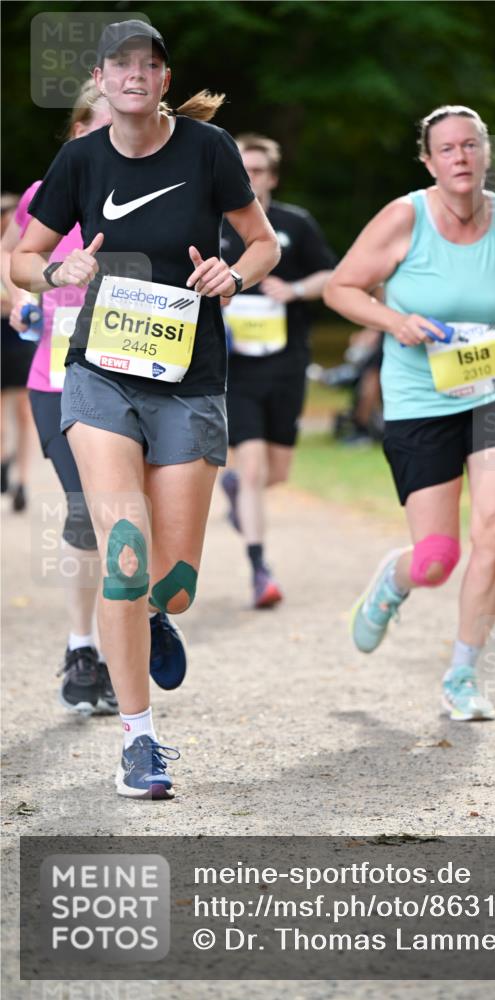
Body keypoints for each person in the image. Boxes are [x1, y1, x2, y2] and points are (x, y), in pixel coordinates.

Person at [11, 19, 280, 799]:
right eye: (120, 64)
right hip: (101, 375)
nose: (134, 74)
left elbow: (263, 244)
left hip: (190, 380)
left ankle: (158, 614)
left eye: (149, 64)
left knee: (176, 583)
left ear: (164, 79)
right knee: (123, 551)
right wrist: (60, 270)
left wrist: (234, 276)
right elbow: (22, 258)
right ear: (101, 78)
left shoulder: (209, 149)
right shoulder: (79, 160)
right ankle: (139, 740)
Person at [325, 105, 495, 722]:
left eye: (471, 145)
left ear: (487, 153)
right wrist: (395, 321)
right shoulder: (404, 218)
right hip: (422, 398)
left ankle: (462, 674)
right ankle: (394, 581)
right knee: (437, 558)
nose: (461, 157)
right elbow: (340, 288)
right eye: (447, 149)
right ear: (428, 161)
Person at [1, 82, 118, 715]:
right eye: (100, 125)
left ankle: (138, 624)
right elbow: (11, 256)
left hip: (141, 377)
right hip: (59, 378)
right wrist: (23, 297)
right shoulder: (44, 196)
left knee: (135, 513)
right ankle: (82, 649)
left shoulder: (161, 190)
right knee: (85, 508)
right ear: (76, 134)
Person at [219, 134, 336, 607]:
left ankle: (236, 491)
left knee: (276, 471)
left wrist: (295, 290)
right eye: (242, 169)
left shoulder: (294, 223)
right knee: (252, 467)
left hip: (287, 362)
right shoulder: (211, 223)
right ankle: (259, 570)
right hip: (235, 369)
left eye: (259, 170)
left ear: (273, 177)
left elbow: (331, 276)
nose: (250, 178)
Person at [1, 193, 36, 512]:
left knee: (24, 413)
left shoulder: (28, 252)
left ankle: (23, 480)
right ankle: (3, 460)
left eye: (12, 213)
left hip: (22, 339)